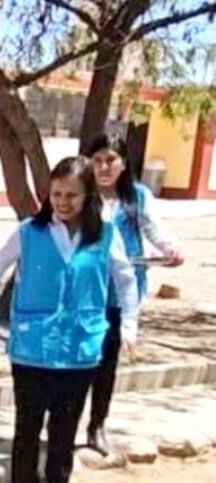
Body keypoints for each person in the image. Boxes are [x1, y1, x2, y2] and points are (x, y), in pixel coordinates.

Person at [0, 156, 139, 483]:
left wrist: (129, 326)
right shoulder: (29, 232)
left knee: (64, 430)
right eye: (57, 194)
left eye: (72, 195)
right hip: (31, 350)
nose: (63, 202)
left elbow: (126, 281)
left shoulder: (105, 235)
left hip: (79, 351)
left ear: (88, 195)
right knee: (28, 427)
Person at [82, 133, 185, 455]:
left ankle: (97, 425)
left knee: (107, 361)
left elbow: (154, 229)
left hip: (122, 293)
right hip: (86, 292)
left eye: (110, 160)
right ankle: (65, 424)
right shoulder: (81, 192)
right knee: (79, 359)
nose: (103, 167)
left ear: (124, 163)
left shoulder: (137, 197)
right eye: (97, 160)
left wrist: (171, 249)